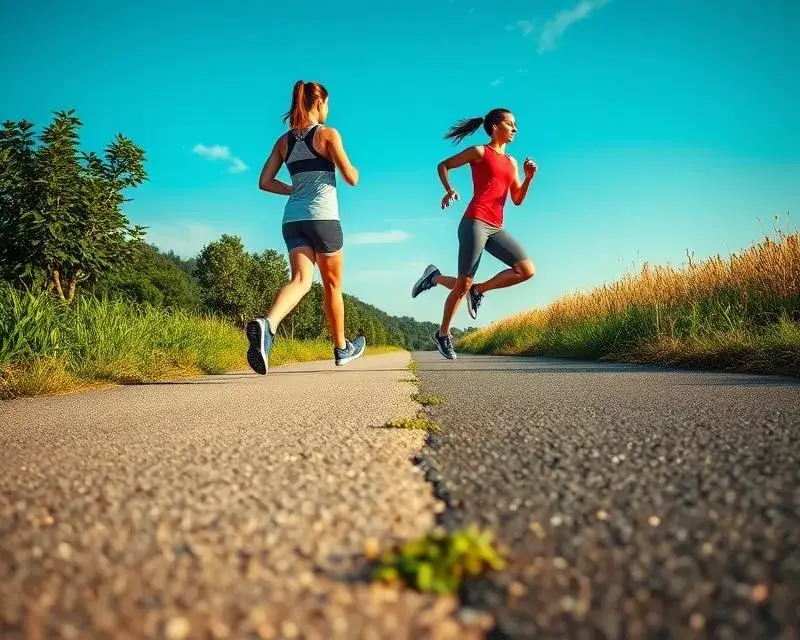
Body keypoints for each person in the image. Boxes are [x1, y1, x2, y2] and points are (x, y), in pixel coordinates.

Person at [246, 80, 366, 375]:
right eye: (328, 103)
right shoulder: (327, 134)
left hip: (293, 219)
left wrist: (296, 191)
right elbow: (351, 177)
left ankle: (268, 324)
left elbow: (264, 182)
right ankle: (341, 348)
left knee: (300, 280)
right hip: (324, 218)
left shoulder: (283, 142)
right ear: (319, 103)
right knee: (332, 286)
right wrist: (355, 170)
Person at [411, 108, 537, 359]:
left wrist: (529, 178)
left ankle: (466, 286)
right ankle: (443, 334)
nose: (515, 129)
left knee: (526, 270)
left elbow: (517, 199)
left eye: (516, 125)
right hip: (475, 221)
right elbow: (443, 165)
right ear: (495, 127)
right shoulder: (480, 152)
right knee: (462, 284)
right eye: (510, 124)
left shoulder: (512, 162)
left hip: (496, 227)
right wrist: (449, 190)